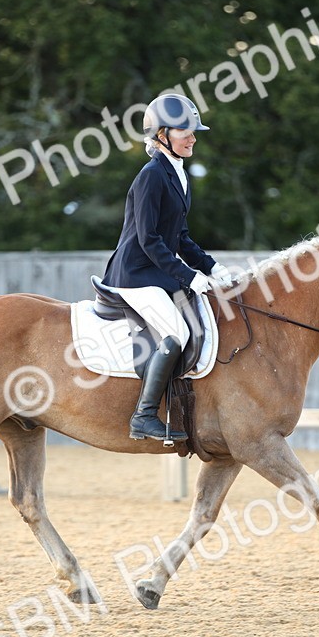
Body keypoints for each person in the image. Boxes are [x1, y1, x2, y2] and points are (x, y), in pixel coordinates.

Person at [102, 93, 233, 442]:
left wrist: (213, 268)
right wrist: (188, 276)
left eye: (194, 131)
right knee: (178, 331)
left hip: (156, 270)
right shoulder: (151, 176)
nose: (193, 137)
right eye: (184, 131)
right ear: (161, 134)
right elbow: (148, 240)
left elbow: (181, 237)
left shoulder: (178, 174)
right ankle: (144, 416)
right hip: (135, 273)